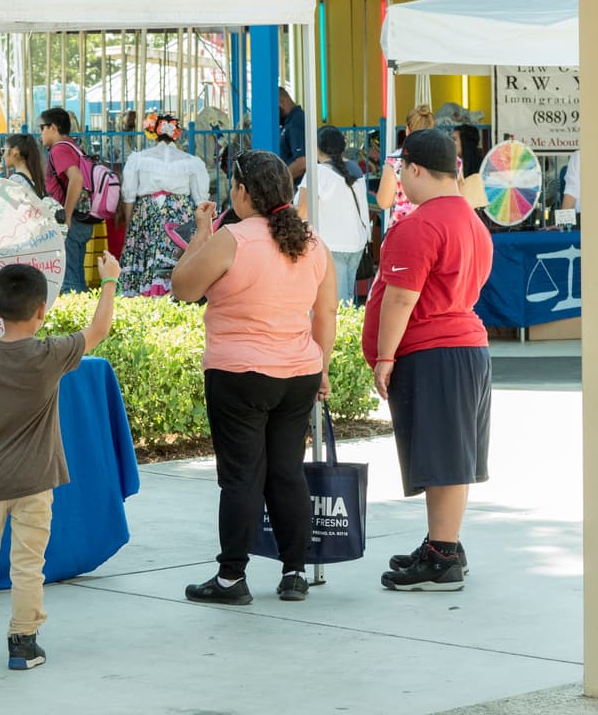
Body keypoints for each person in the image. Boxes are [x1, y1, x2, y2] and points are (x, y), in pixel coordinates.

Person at [0, 256, 120, 670]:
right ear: (41, 311)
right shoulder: (50, 355)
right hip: (36, 482)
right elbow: (99, 330)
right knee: (28, 563)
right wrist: (108, 282)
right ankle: (23, 642)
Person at [171, 149, 337, 605]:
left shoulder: (232, 239)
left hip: (238, 373)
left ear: (243, 192)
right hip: (298, 373)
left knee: (241, 477)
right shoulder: (313, 243)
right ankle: (295, 571)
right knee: (287, 473)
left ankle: (231, 578)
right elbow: (326, 315)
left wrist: (202, 231)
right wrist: (321, 368)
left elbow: (183, 287)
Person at [363, 129, 492, 592]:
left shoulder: (421, 224)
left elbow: (400, 298)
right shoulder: (473, 221)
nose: (400, 182)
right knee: (449, 453)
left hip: (434, 350)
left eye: (401, 173)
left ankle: (442, 558)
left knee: (444, 457)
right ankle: (445, 544)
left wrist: (384, 356)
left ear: (415, 169)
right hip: (464, 348)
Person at [118, 113, 209, 297]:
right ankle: (175, 293)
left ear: (153, 133)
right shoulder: (191, 162)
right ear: (178, 134)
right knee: (176, 253)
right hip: (178, 213)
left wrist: (130, 228)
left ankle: (144, 295)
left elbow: (128, 196)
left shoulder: (138, 159)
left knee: (145, 254)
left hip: (147, 211)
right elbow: (201, 200)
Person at [296, 126, 370, 305]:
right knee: (346, 301)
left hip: (331, 245)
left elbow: (301, 212)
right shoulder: (356, 170)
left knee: (335, 306)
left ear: (317, 147)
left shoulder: (317, 173)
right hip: (357, 243)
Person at [39, 107, 94, 293]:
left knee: (69, 281)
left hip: (71, 220)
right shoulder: (73, 145)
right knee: (77, 275)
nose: (40, 133)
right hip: (84, 216)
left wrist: (67, 216)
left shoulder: (59, 149)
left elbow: (76, 178)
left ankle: (75, 320)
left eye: (42, 127)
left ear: (53, 127)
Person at [377, 105, 440, 226]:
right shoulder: (448, 160)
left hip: (403, 229)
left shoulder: (394, 161)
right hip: (435, 229)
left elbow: (384, 202)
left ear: (407, 130)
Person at [279, 87, 307, 184]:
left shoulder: (296, 122)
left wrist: (280, 181)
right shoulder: (287, 122)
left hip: (296, 187)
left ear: (282, 101)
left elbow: (302, 163)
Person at [3, 134, 44, 198]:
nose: (3, 155)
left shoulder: (15, 179)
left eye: (3, 150)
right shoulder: (35, 177)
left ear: (15, 151)